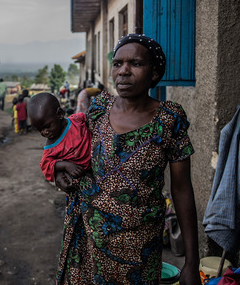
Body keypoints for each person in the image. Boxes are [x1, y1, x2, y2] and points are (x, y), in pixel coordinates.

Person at [54, 34, 201, 284]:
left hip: (139, 246)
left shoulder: (168, 120)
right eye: (117, 63)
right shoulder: (99, 109)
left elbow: (182, 189)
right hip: (88, 238)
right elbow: (70, 150)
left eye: (135, 63)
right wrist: (57, 169)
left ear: (154, 73)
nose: (123, 71)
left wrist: (192, 262)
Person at [27, 92, 91, 185]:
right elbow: (46, 165)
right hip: (83, 179)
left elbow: (90, 119)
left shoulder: (77, 120)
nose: (44, 132)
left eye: (47, 126)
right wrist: (65, 165)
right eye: (39, 130)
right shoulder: (51, 146)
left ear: (60, 114)